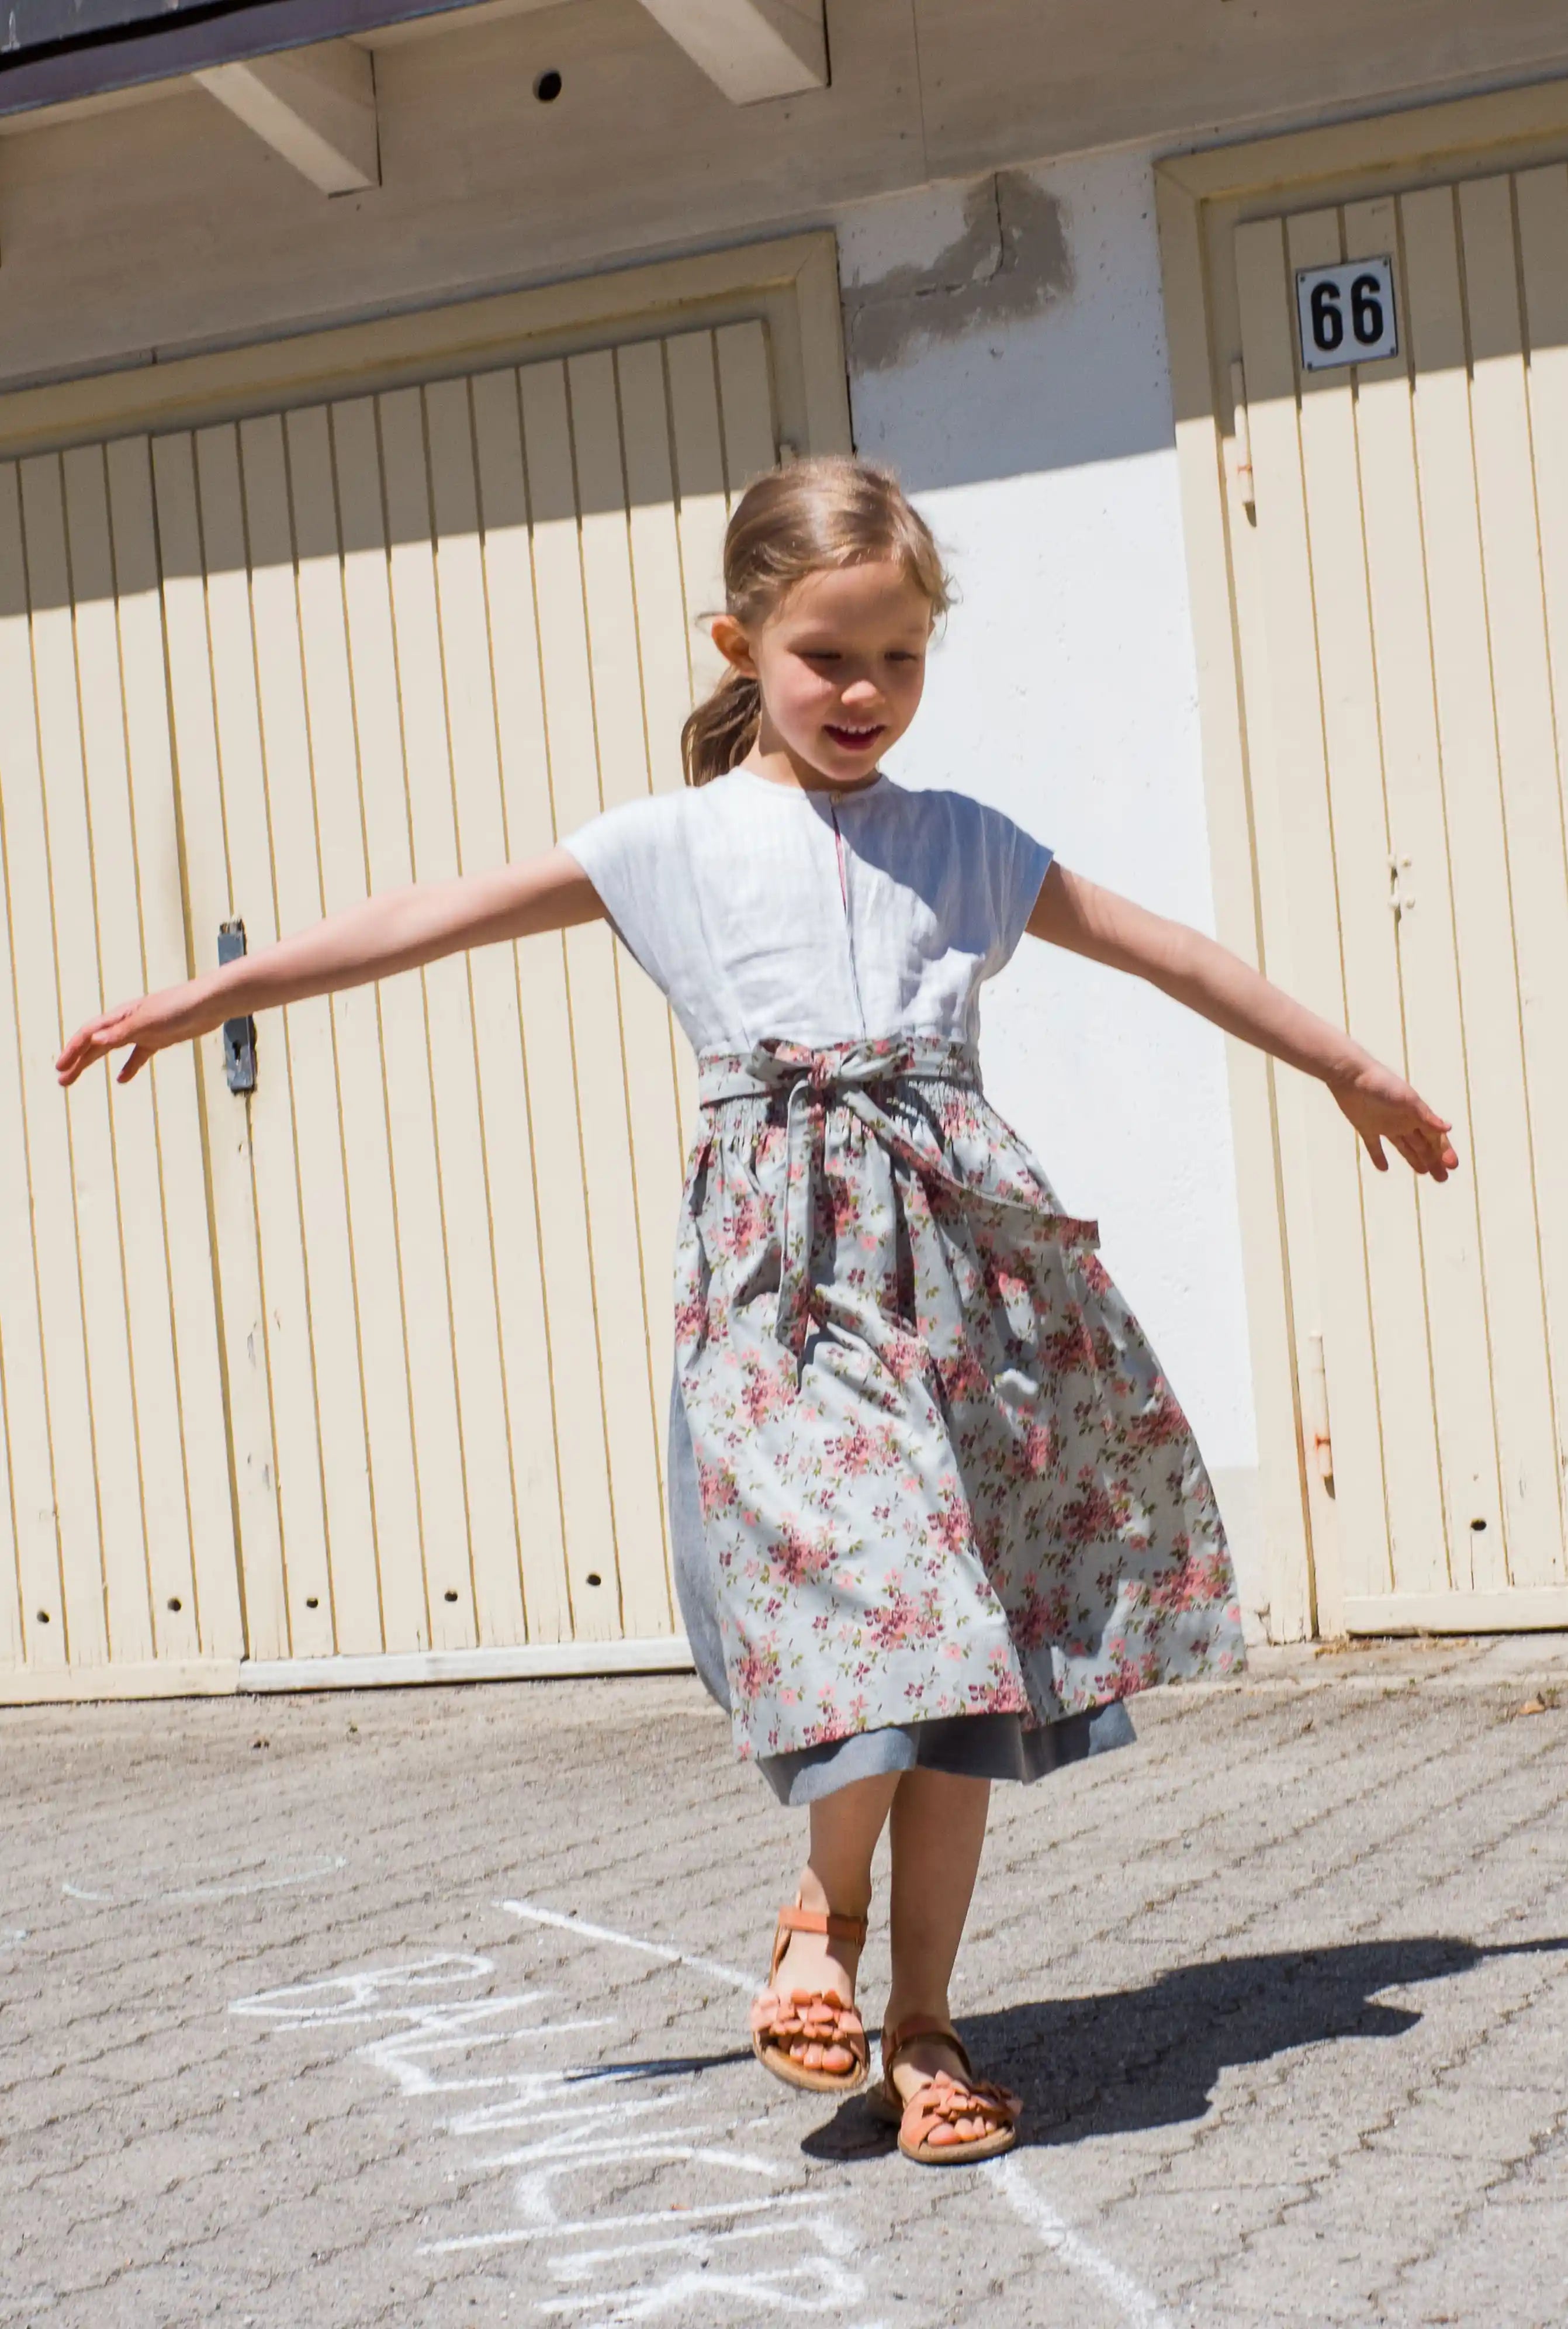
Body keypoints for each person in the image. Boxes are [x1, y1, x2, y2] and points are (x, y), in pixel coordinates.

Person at [58, 455, 1456, 2167]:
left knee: (972, 1680)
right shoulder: (673, 846)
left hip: (968, 1284)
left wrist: (1349, 1067)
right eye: (823, 657)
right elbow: (426, 918)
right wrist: (225, 987)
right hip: (781, 1296)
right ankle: (818, 1917)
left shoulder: (963, 845)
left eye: (897, 662)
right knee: (887, 1616)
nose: (861, 695)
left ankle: (922, 2033)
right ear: (740, 643)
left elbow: (1166, 949)